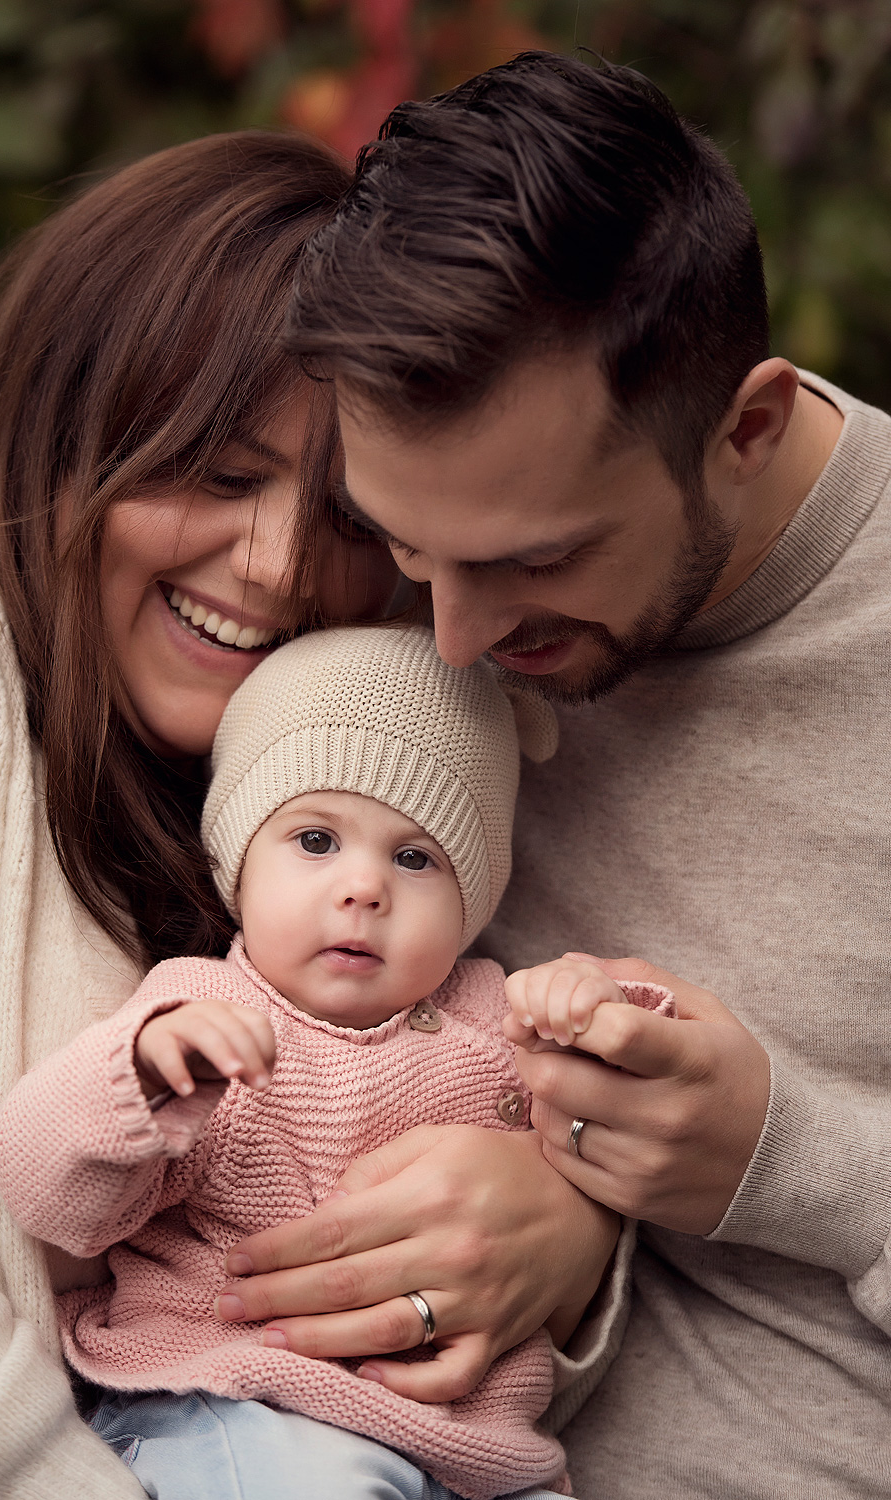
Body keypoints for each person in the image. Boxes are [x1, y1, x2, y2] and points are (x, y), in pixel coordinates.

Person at [0, 126, 622, 1498]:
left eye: (347, 519)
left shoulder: (340, 778)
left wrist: (566, 1240)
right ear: (80, 420)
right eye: (219, 476)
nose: (282, 563)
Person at [249, 51, 887, 1500]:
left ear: (748, 429)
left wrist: (790, 1159)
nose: (456, 640)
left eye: (534, 563)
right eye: (411, 549)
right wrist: (573, 1210)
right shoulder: (382, 599)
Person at [0, 622, 661, 1500]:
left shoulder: (504, 1020)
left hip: (472, 1454)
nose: (363, 887)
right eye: (315, 841)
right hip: (236, 1401)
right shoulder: (202, 1015)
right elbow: (46, 1197)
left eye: (416, 857)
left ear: (474, 901)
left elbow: (646, 1097)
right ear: (237, 862)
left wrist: (603, 1002)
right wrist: (143, 1080)